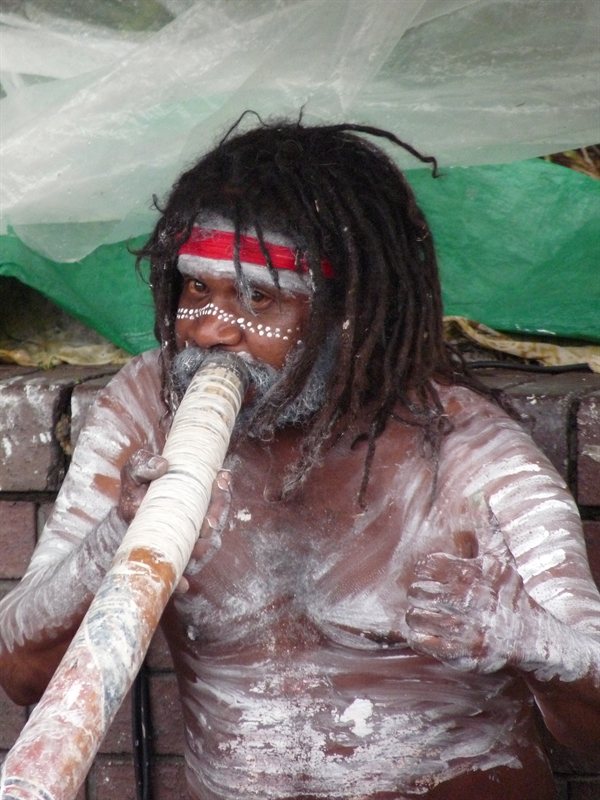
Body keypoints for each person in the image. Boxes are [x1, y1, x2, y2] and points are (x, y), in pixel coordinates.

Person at [1, 115, 599, 800]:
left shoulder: (471, 459)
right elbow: (20, 671)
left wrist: (529, 639)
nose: (209, 330)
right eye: (196, 289)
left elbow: (593, 735)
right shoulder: (147, 407)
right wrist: (117, 539)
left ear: (348, 314)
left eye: (257, 298)